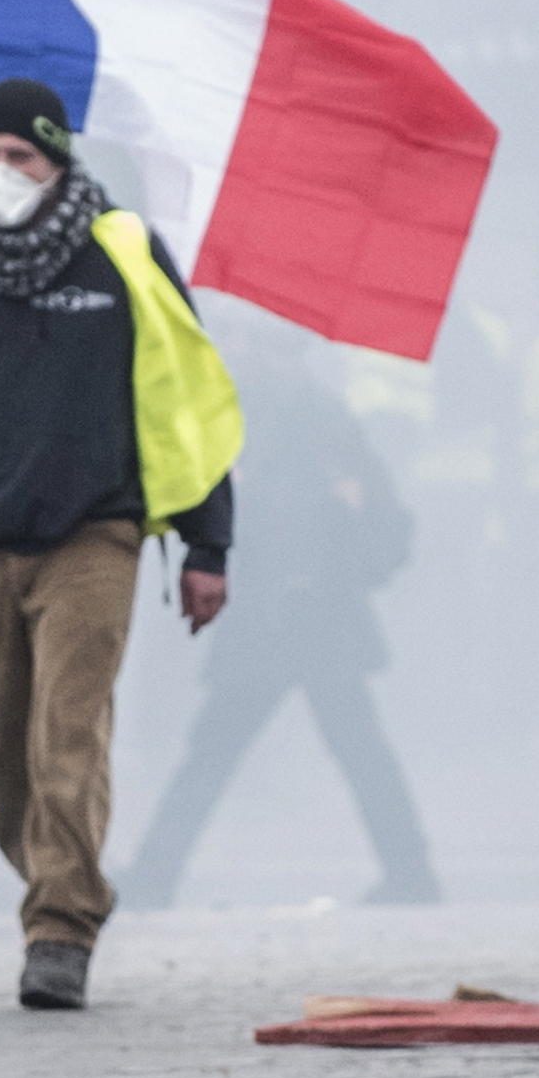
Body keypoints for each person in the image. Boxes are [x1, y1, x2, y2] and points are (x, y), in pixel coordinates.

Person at [0, 75, 241, 1009]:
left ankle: (61, 926)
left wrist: (207, 548)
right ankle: (52, 874)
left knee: (66, 731)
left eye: (17, 156)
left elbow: (182, 401)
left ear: (56, 158)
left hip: (92, 534)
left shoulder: (121, 250)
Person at [128, 324, 440, 908]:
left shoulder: (308, 420)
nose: (248, 352)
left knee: (226, 753)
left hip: (297, 619)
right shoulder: (268, 414)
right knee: (340, 750)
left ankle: (152, 878)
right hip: (298, 620)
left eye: (262, 345)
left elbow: (374, 524)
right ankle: (412, 871)